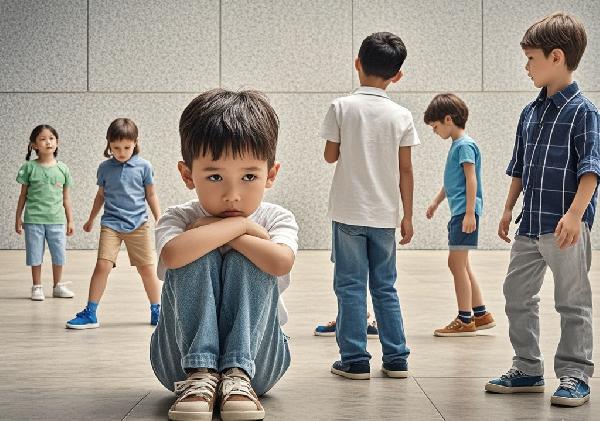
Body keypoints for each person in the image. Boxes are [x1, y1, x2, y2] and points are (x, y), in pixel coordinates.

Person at [150, 89, 298, 421]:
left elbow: (280, 261)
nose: (233, 195)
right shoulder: (178, 218)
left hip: (258, 361)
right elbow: (173, 255)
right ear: (188, 175)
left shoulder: (277, 219)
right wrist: (242, 230)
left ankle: (236, 374)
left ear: (270, 174)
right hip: (179, 363)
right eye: (215, 176)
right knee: (192, 251)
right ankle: (201, 374)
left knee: (254, 257)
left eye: (249, 177)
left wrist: (223, 229)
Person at [485, 12, 599, 408]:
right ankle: (528, 367)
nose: (526, 67)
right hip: (529, 225)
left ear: (556, 57)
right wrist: (506, 209)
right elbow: (519, 167)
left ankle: (574, 374)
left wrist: (574, 215)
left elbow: (591, 169)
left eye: (531, 58)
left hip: (565, 227)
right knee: (516, 293)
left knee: (572, 301)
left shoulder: (584, 112)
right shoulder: (529, 113)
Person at [320, 31, 418, 380]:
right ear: (398, 75)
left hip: (348, 211)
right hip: (385, 215)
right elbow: (405, 169)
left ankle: (355, 360)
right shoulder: (402, 115)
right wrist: (407, 215)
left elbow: (330, 156)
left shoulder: (341, 107)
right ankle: (396, 358)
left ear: (357, 64)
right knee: (385, 286)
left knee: (349, 286)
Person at [66, 118, 161, 329]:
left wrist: (159, 218)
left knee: (147, 269)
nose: (121, 152)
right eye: (116, 147)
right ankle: (90, 312)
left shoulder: (144, 166)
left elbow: (151, 194)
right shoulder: (105, 168)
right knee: (102, 265)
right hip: (111, 223)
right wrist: (91, 219)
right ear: (108, 143)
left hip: (139, 224)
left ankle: (157, 310)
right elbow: (100, 195)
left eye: (126, 147)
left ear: (135, 142)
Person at [424, 93, 495, 336]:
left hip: (464, 213)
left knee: (455, 264)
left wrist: (469, 214)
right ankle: (481, 314)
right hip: (460, 211)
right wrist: (436, 202)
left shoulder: (464, 145)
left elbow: (470, 179)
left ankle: (465, 320)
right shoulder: (458, 145)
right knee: (462, 264)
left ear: (448, 119)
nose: (434, 132)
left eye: (435, 127)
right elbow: (452, 183)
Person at [15, 124, 75, 301]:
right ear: (34, 145)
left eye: (51, 138)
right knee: (35, 254)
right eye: (42, 139)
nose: (48, 142)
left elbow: (66, 198)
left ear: (57, 142)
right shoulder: (29, 168)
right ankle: (37, 286)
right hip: (33, 220)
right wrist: (18, 218)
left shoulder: (63, 169)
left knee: (59, 255)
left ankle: (57, 286)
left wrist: (70, 220)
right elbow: (22, 195)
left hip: (57, 220)